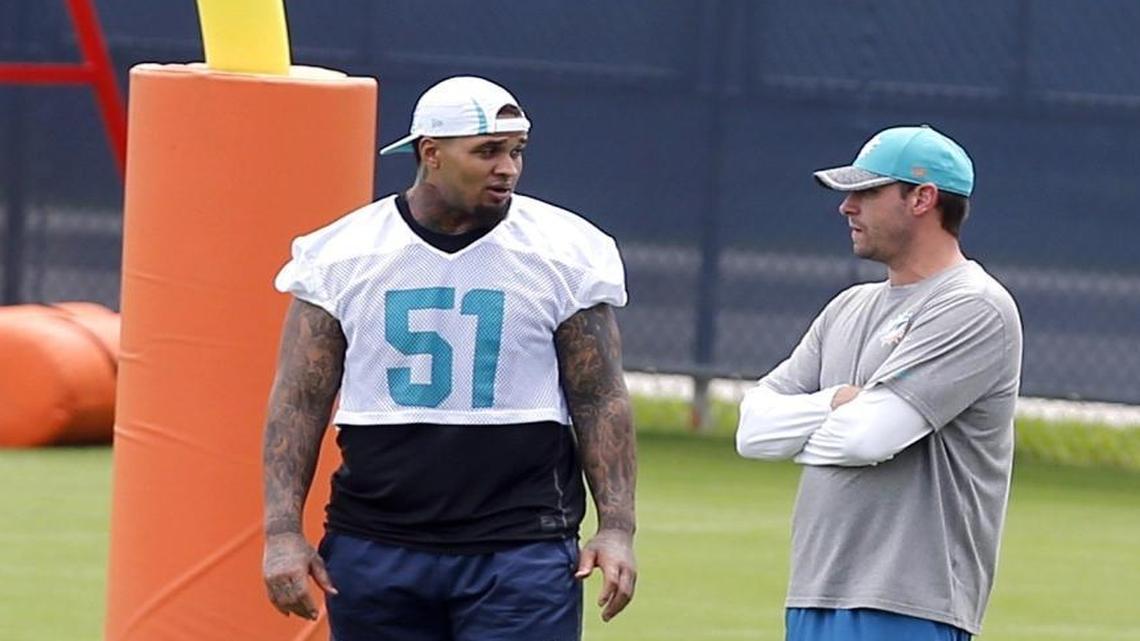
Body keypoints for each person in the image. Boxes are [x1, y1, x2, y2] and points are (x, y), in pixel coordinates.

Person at [260, 76, 637, 641]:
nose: (507, 168)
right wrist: (282, 533)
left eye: (516, 151)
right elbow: (298, 401)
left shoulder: (566, 252)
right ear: (431, 153)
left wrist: (617, 527)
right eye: (487, 151)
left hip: (520, 546)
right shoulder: (340, 255)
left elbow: (600, 397)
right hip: (377, 541)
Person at [735, 125, 1022, 641]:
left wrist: (803, 428)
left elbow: (865, 439)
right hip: (813, 596)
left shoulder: (974, 306)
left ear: (922, 199)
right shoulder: (847, 307)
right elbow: (752, 431)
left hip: (907, 608)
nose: (847, 207)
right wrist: (837, 401)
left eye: (866, 192)